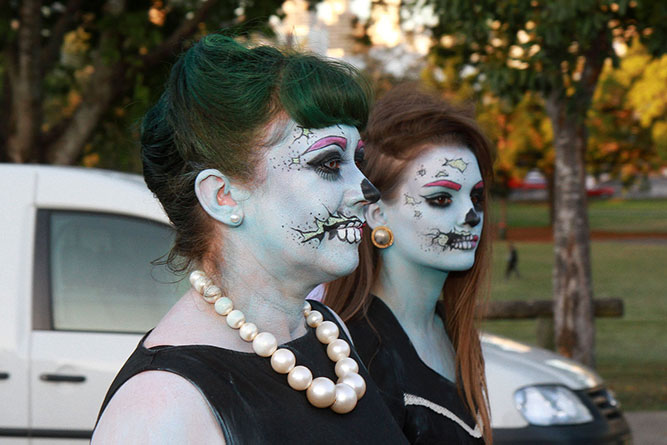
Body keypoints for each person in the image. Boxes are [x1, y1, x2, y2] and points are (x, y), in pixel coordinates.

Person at [92, 34, 408, 444]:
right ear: (223, 197)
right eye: (330, 162)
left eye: (357, 161)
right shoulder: (161, 406)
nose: (366, 189)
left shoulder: (329, 337)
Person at [324, 85, 494, 444]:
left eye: (476, 196)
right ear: (376, 214)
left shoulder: (453, 330)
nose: (471, 215)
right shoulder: (355, 354)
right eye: (441, 198)